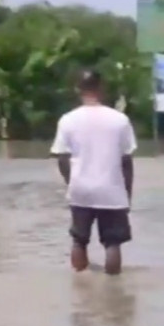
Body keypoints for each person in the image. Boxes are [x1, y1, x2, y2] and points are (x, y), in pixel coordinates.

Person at [50, 70, 137, 275]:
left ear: (78, 89)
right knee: (112, 243)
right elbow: (126, 161)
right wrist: (128, 193)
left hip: (80, 188)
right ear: (102, 88)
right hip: (111, 189)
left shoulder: (67, 120)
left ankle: (80, 287)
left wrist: (71, 182)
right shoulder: (120, 120)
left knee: (79, 240)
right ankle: (114, 288)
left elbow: (62, 158)